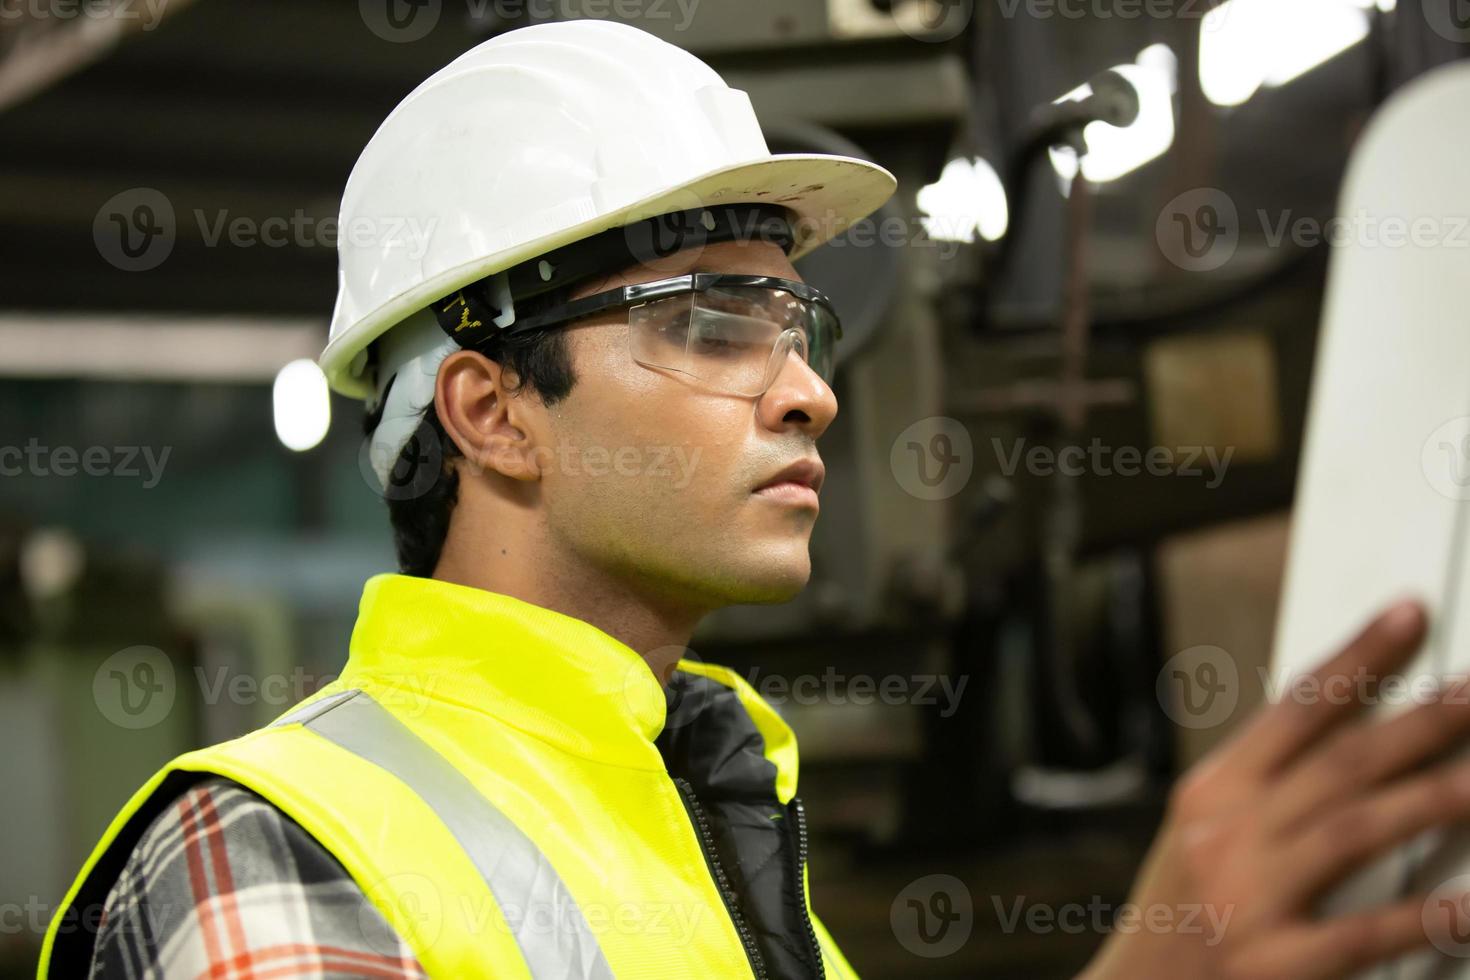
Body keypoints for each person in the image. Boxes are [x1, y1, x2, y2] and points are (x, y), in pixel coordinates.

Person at [39, 18, 1470, 980]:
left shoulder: (714, 814)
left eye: (797, 323)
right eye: (716, 320)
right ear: (492, 412)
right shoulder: (270, 848)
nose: (806, 391)